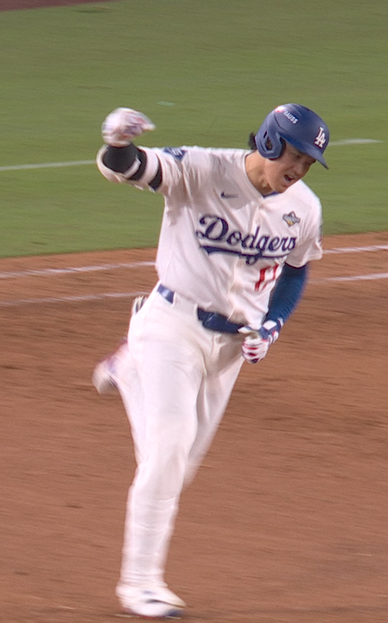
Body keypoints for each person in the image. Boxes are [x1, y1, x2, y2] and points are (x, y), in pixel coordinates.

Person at [91, 104, 329, 618]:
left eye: (309, 163)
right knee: (167, 450)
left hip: (228, 350)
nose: (299, 169)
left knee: (178, 467)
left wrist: (272, 325)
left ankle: (129, 370)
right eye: (295, 156)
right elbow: (130, 169)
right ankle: (139, 584)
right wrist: (117, 142)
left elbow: (296, 271)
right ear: (268, 143)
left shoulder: (303, 208)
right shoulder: (201, 169)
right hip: (171, 326)